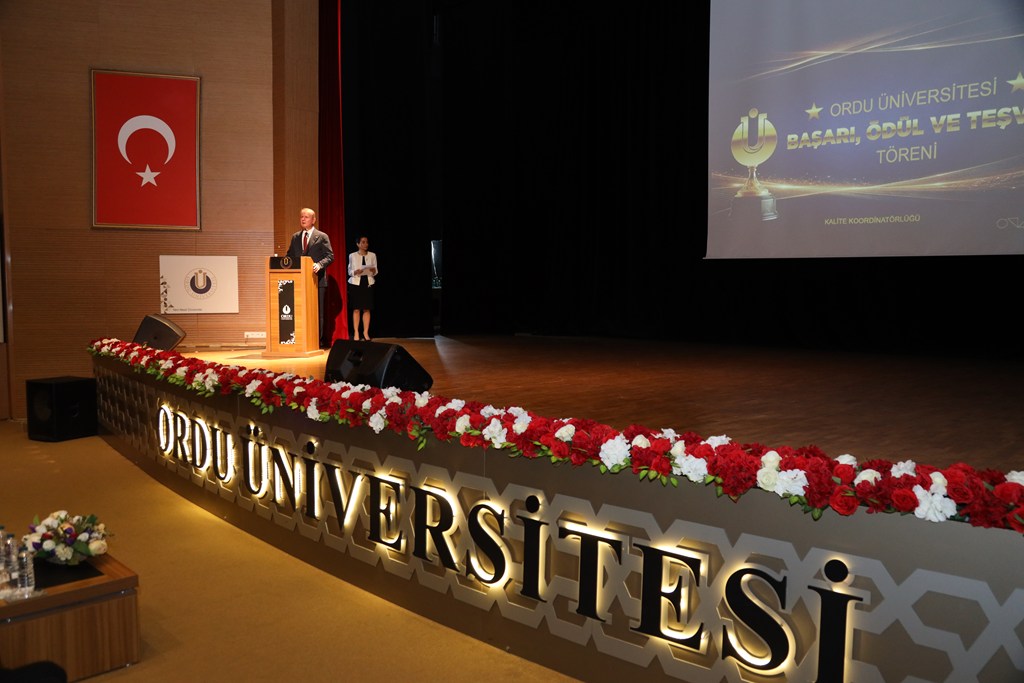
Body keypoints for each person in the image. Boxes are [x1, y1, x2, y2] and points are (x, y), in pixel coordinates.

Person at [286, 208, 334, 348]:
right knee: (300, 310)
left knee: (317, 312)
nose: (303, 219)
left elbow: (330, 256)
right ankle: (301, 339)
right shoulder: (295, 237)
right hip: (299, 281)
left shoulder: (322, 236)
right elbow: (289, 256)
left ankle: (316, 340)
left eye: (306, 217)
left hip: (317, 280)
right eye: (301, 216)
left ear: (313, 220)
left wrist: (319, 265)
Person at [347, 235, 378, 341]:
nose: (366, 244)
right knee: (356, 309)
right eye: (363, 242)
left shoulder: (372, 255)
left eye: (367, 242)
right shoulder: (352, 255)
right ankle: (356, 332)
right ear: (358, 244)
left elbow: (376, 270)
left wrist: (373, 271)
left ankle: (365, 332)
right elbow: (349, 271)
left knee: (366, 308)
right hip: (356, 283)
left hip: (368, 283)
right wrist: (355, 272)